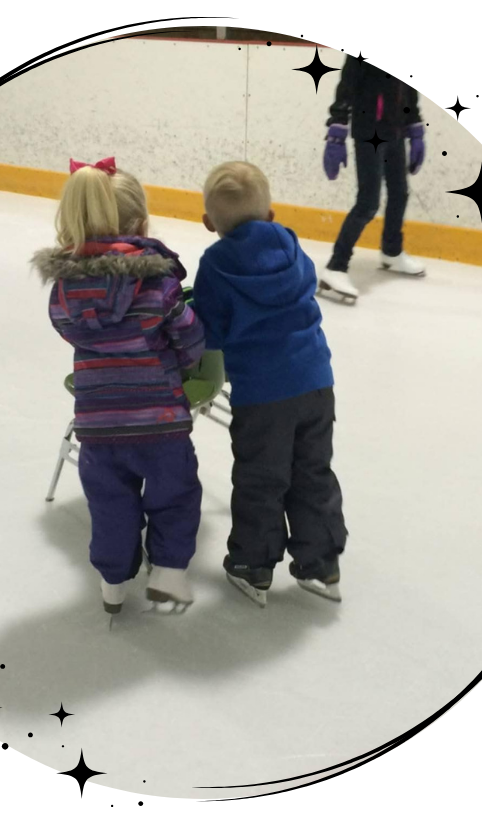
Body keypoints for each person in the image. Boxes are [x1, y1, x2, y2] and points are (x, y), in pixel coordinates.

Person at [32, 159, 206, 615]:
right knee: (175, 496)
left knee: (111, 507)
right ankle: (168, 573)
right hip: (161, 422)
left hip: (99, 425)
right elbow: (188, 337)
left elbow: (68, 331)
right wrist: (183, 362)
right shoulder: (159, 283)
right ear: (141, 224)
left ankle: (113, 584)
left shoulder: (64, 292)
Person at [192, 161, 347, 607]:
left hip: (262, 396)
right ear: (271, 214)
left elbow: (209, 334)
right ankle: (321, 564)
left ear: (208, 223)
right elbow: (308, 284)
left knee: (262, 477)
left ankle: (253, 565)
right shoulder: (290, 243)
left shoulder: (215, 264)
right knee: (313, 471)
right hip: (316, 383)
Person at [320, 57, 427, 302]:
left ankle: (391, 251)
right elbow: (346, 85)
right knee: (368, 203)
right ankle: (335, 267)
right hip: (369, 131)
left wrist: (415, 127)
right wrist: (337, 129)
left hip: (395, 130)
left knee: (400, 193)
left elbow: (409, 90)